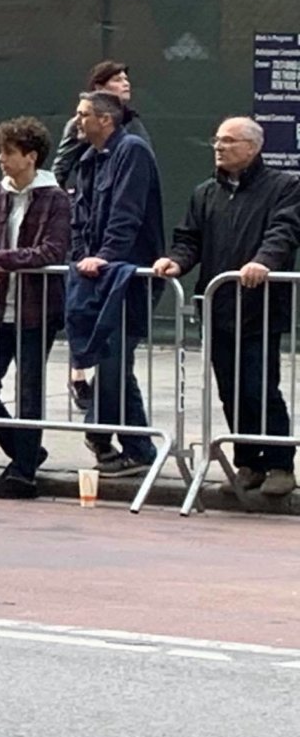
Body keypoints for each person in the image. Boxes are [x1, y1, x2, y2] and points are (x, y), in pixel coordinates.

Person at [153, 117, 300, 500]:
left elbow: (283, 231)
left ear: (252, 148)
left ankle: (281, 465)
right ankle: (248, 463)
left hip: (260, 307)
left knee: (260, 388)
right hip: (217, 307)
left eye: (229, 141)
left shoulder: (285, 187)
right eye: (216, 140)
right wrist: (176, 262)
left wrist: (264, 261)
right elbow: (189, 238)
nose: (219, 147)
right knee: (230, 390)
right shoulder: (205, 193)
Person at [0, 117, 75, 500]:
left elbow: (51, 251)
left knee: (29, 392)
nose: (1, 159)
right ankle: (26, 452)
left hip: (36, 310)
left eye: (9, 152)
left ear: (31, 156)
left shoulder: (55, 197)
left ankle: (23, 471)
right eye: (0, 151)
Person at [64, 88, 164, 480]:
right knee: (113, 361)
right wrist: (80, 257)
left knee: (113, 359)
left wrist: (106, 257)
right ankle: (138, 448)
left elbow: (127, 212)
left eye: (83, 113)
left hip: (127, 277)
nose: (76, 120)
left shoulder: (132, 152)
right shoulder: (87, 160)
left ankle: (99, 433)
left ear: (105, 120)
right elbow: (79, 217)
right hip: (94, 276)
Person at [52, 59, 133, 190]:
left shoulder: (132, 121)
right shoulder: (79, 124)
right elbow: (61, 168)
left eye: (126, 79)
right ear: (99, 87)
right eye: (117, 80)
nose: (126, 84)